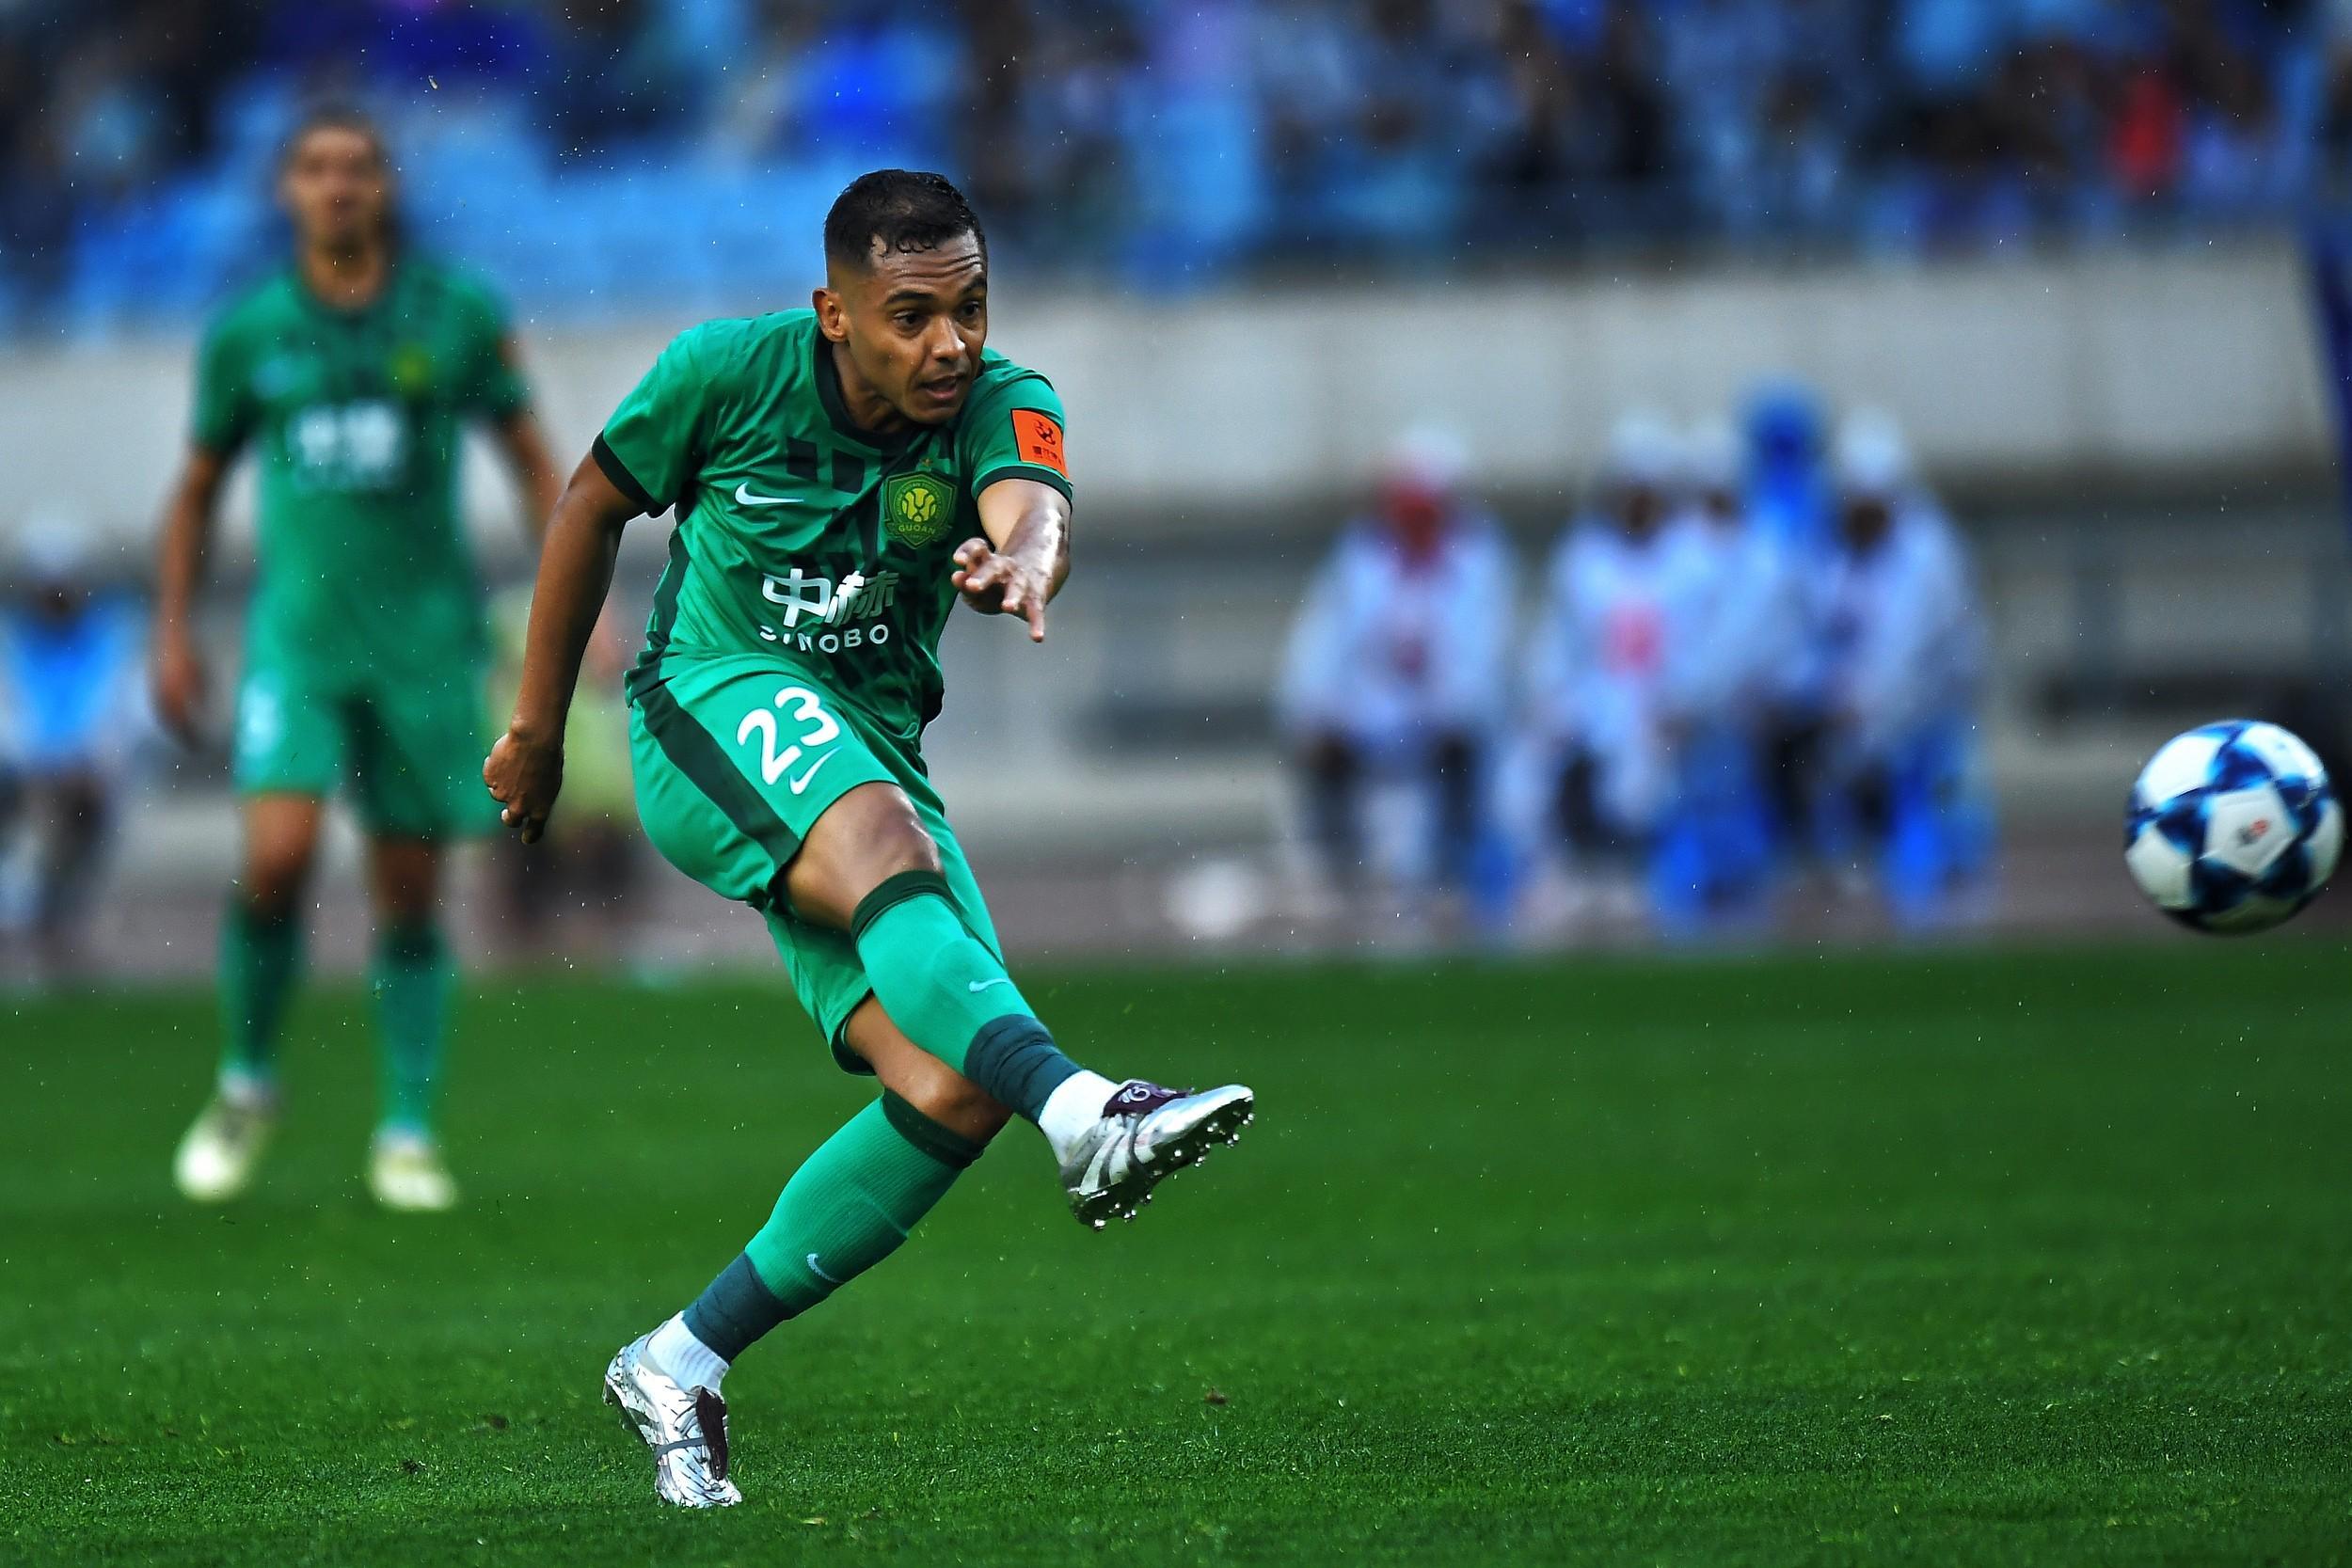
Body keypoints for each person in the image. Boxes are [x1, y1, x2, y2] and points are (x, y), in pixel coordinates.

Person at [482, 169, 1255, 1509]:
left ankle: (679, 1357)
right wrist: (541, 726)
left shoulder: (1004, 399)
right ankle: (1088, 1109)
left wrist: (1026, 560)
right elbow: (588, 508)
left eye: (970, 308)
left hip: (871, 751)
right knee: (899, 864)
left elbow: (1034, 506)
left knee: (953, 1083)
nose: (950, 343)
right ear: (834, 313)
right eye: (913, 316)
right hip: (709, 699)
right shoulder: (723, 375)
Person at [154, 106, 562, 1211]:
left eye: (358, 167)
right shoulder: (250, 332)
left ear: (386, 186)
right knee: (277, 857)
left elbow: (535, 461)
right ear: (286, 190)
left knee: (410, 890)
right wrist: (171, 629)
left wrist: (569, 601)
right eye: (315, 167)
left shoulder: (456, 311)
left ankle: (407, 1127)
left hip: (424, 647)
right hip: (298, 643)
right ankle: (246, 1080)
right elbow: (195, 490)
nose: (337, 185)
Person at [1275, 429, 1513, 919]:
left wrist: (1451, 712)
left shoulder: (1477, 563)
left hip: (1439, 717)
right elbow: (1322, 644)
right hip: (1374, 717)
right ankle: (1339, 871)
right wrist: (1316, 711)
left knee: (1463, 750)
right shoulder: (1360, 559)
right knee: (1326, 751)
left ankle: (1452, 870)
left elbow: (1483, 656)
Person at [1808, 411, 1991, 917]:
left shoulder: (1925, 550)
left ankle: (1942, 903)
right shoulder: (1854, 555)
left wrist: (1862, 703)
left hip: (1930, 708)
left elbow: (1905, 645)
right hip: (1892, 708)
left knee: (1940, 818)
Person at [1525, 414, 1704, 918]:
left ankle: (1634, 870)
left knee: (1639, 776)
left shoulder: (1692, 559)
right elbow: (1558, 643)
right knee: (1543, 766)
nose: (1637, 507)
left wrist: (1684, 700)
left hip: (1665, 706)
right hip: (1598, 699)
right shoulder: (1584, 558)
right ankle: (1581, 869)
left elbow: (1705, 649)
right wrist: (1550, 699)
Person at [0, 520, 147, 972]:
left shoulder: (111, 635)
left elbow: (124, 714)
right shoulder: (12, 640)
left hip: (89, 777)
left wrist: (87, 761)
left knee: (77, 806)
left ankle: (56, 916)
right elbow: (11, 717)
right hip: (31, 775)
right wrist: (39, 764)